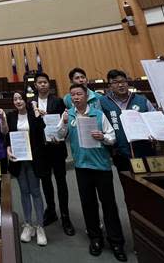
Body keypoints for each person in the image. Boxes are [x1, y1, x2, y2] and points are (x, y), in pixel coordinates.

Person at [60, 84, 127, 261]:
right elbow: (59, 136)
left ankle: (116, 242)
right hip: (82, 167)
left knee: (109, 205)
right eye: (73, 95)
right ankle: (95, 239)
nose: (76, 97)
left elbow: (112, 137)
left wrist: (103, 137)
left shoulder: (98, 114)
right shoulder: (69, 114)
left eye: (79, 94)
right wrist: (64, 123)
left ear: (86, 96)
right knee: (88, 205)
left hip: (101, 167)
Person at [32, 72, 75, 234]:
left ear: (48, 84)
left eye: (45, 82)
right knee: (46, 183)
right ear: (35, 86)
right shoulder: (31, 103)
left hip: (57, 148)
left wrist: (60, 136)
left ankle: (65, 216)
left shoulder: (58, 101)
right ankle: (51, 211)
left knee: (61, 182)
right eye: (39, 82)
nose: (42, 85)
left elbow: (63, 123)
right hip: (41, 150)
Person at [6, 91, 47, 246]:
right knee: (24, 192)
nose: (18, 101)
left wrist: (37, 110)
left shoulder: (34, 114)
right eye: (15, 99)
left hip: (34, 159)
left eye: (20, 98)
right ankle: (28, 224)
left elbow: (41, 129)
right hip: (18, 160)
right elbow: (7, 137)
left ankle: (40, 226)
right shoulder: (11, 116)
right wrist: (8, 149)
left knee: (35, 191)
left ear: (26, 100)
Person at [100, 69, 157, 172]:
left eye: (123, 81)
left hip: (145, 148)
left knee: (152, 183)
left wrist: (155, 133)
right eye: (116, 82)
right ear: (109, 86)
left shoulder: (142, 100)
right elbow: (100, 124)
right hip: (120, 152)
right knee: (129, 184)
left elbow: (154, 120)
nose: (121, 85)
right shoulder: (103, 102)